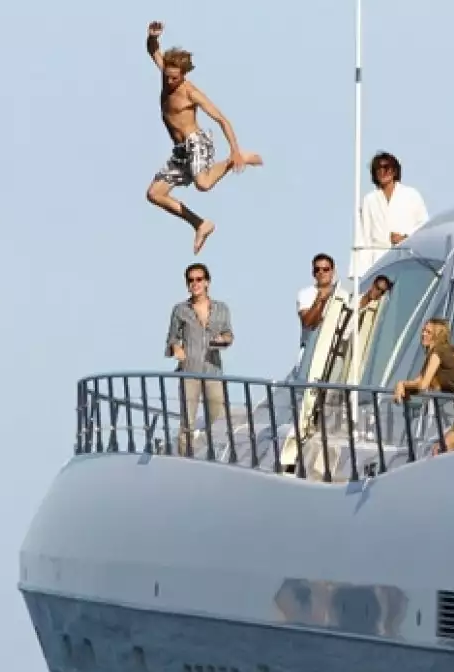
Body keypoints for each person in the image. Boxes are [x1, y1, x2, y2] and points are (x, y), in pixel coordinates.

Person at [144, 21, 263, 254]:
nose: (169, 82)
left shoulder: (191, 93)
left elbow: (222, 119)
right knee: (154, 194)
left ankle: (231, 161)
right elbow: (152, 50)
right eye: (167, 77)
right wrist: (152, 37)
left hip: (196, 142)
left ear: (183, 75)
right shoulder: (165, 74)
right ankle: (200, 224)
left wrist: (235, 150)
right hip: (179, 150)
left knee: (203, 184)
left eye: (174, 79)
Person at [164, 262, 234, 455]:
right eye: (191, 280)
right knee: (188, 421)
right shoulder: (180, 310)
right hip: (189, 371)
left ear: (207, 282)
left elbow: (229, 334)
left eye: (199, 279)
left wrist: (224, 340)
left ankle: (211, 455)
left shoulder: (222, 308)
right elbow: (171, 338)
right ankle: (185, 460)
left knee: (217, 418)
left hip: (213, 370)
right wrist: (176, 348)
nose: (195, 283)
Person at [393, 318, 454, 454]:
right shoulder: (446, 350)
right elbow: (422, 381)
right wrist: (404, 386)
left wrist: (401, 384)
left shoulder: (438, 352)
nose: (423, 334)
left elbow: (423, 385)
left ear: (437, 336)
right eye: (423, 331)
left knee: (440, 449)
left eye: (428, 332)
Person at [350, 152, 429, 279]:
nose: (382, 172)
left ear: (394, 171)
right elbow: (363, 236)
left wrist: (406, 238)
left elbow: (424, 226)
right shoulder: (369, 200)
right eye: (378, 169)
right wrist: (359, 272)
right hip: (377, 260)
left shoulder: (411, 195)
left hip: (406, 256)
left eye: (386, 167)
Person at [296, 254, 347, 351]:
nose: (321, 272)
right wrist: (319, 300)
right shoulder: (305, 294)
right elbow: (307, 323)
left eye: (325, 269)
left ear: (333, 271)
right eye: (317, 269)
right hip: (309, 350)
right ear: (313, 273)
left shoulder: (343, 295)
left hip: (333, 351)